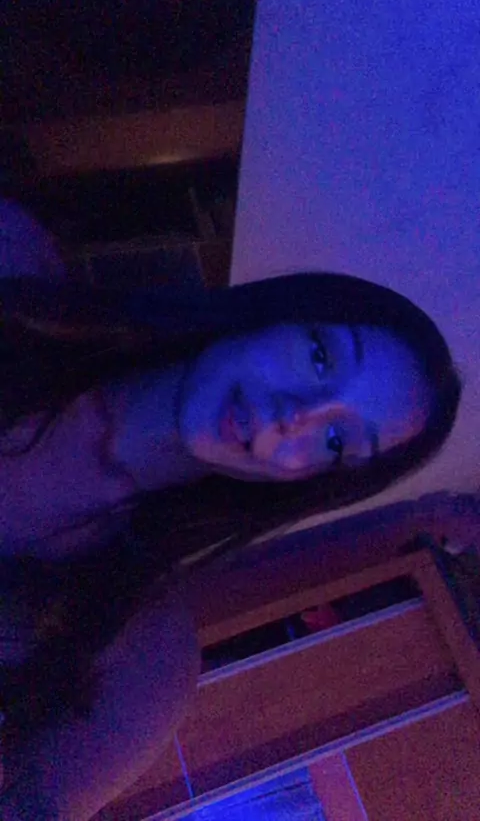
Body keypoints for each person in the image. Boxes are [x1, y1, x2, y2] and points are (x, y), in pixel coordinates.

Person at [0, 199, 461, 818]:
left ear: (310, 481)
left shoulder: (143, 666)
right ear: (283, 312)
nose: (298, 415)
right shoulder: (15, 263)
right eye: (320, 357)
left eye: (336, 440)